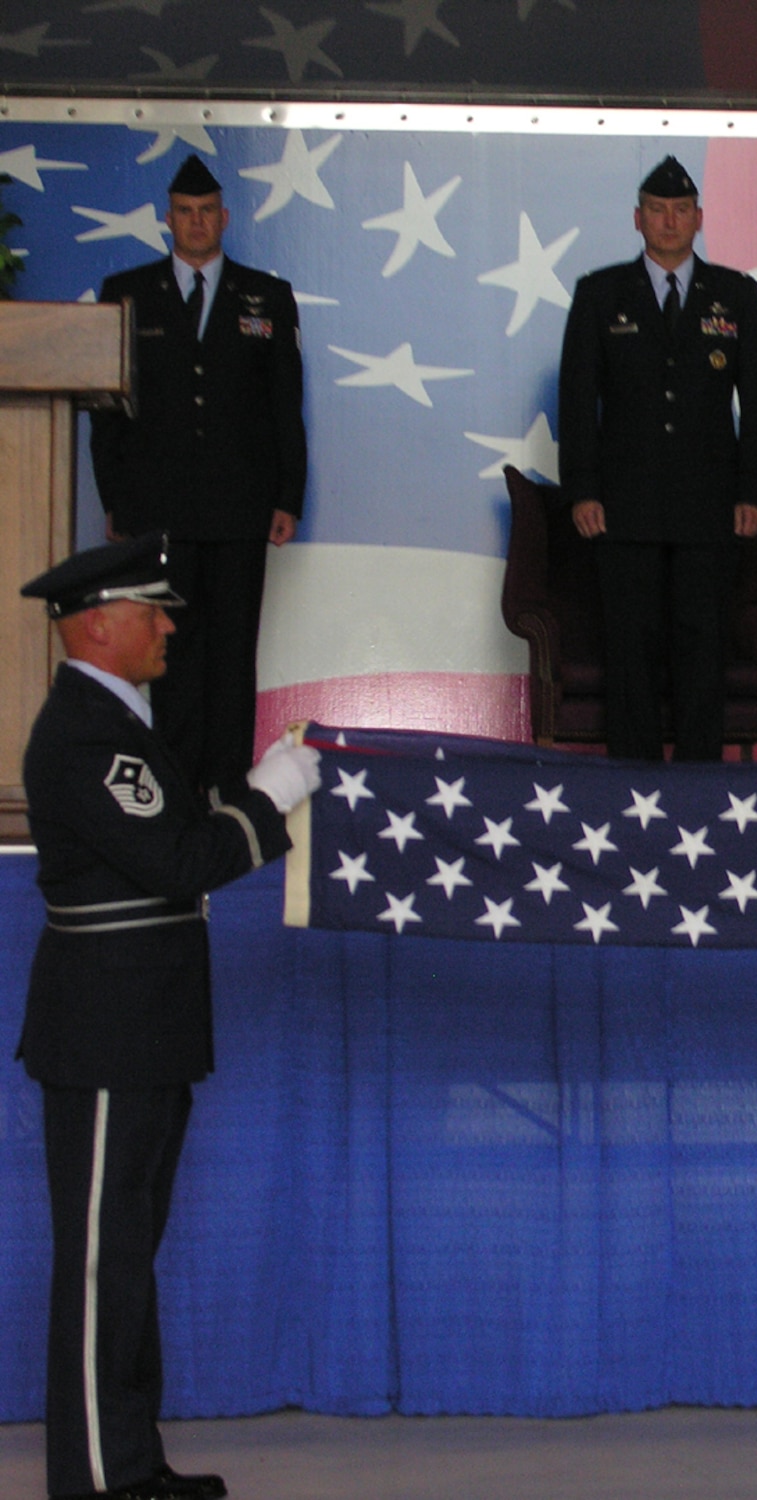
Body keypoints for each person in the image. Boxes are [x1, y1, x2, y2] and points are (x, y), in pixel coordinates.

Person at [17, 533, 320, 1500]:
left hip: (138, 1025)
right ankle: (99, 1480)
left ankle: (131, 1466)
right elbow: (183, 861)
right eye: (151, 611)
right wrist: (269, 803)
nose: (169, 625)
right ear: (98, 627)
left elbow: (173, 842)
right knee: (105, 1265)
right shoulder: (84, 734)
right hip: (108, 1028)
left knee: (128, 1259)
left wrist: (249, 801)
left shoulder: (119, 725)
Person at [89, 155, 307, 792]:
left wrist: (287, 495)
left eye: (207, 211)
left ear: (225, 218)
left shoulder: (267, 295)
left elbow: (283, 406)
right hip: (159, 512)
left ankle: (227, 789)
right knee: (168, 648)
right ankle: (177, 788)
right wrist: (117, 500)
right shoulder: (126, 293)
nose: (196, 223)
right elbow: (109, 410)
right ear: (168, 219)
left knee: (233, 653)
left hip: (241, 507)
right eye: (184, 212)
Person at [557, 154, 757, 762]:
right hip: (623, 508)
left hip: (710, 510)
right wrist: (582, 490)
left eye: (681, 210)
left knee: (701, 646)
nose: (670, 221)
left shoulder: (735, 294)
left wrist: (753, 491)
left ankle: (699, 788)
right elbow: (577, 401)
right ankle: (637, 789)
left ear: (699, 217)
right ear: (638, 218)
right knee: (631, 649)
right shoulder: (600, 295)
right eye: (657, 210)